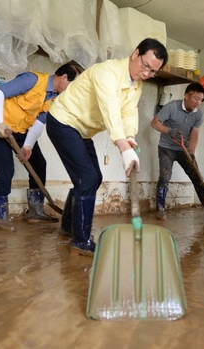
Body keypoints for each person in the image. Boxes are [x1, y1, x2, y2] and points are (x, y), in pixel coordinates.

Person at [46, 38, 168, 256]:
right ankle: (80, 241)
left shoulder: (136, 85)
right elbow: (110, 108)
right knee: (87, 178)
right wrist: (122, 147)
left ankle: (67, 228)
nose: (146, 73)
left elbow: (128, 111)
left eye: (152, 71)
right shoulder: (108, 72)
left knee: (93, 178)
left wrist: (129, 137)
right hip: (63, 121)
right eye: (145, 65)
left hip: (82, 130)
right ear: (135, 53)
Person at [0, 63, 81, 232]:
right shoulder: (33, 80)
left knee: (39, 164)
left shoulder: (54, 98)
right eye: (74, 85)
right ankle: (1, 215)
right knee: (6, 170)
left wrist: (27, 146)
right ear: (64, 77)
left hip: (20, 130)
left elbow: (38, 123)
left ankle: (35, 212)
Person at [151, 83, 204, 221]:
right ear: (186, 96)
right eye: (195, 98)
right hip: (166, 148)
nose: (198, 102)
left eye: (200, 99)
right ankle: (160, 209)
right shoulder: (171, 107)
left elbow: (194, 135)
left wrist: (192, 153)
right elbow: (155, 123)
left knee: (197, 177)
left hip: (184, 150)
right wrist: (169, 131)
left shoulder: (198, 114)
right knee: (165, 176)